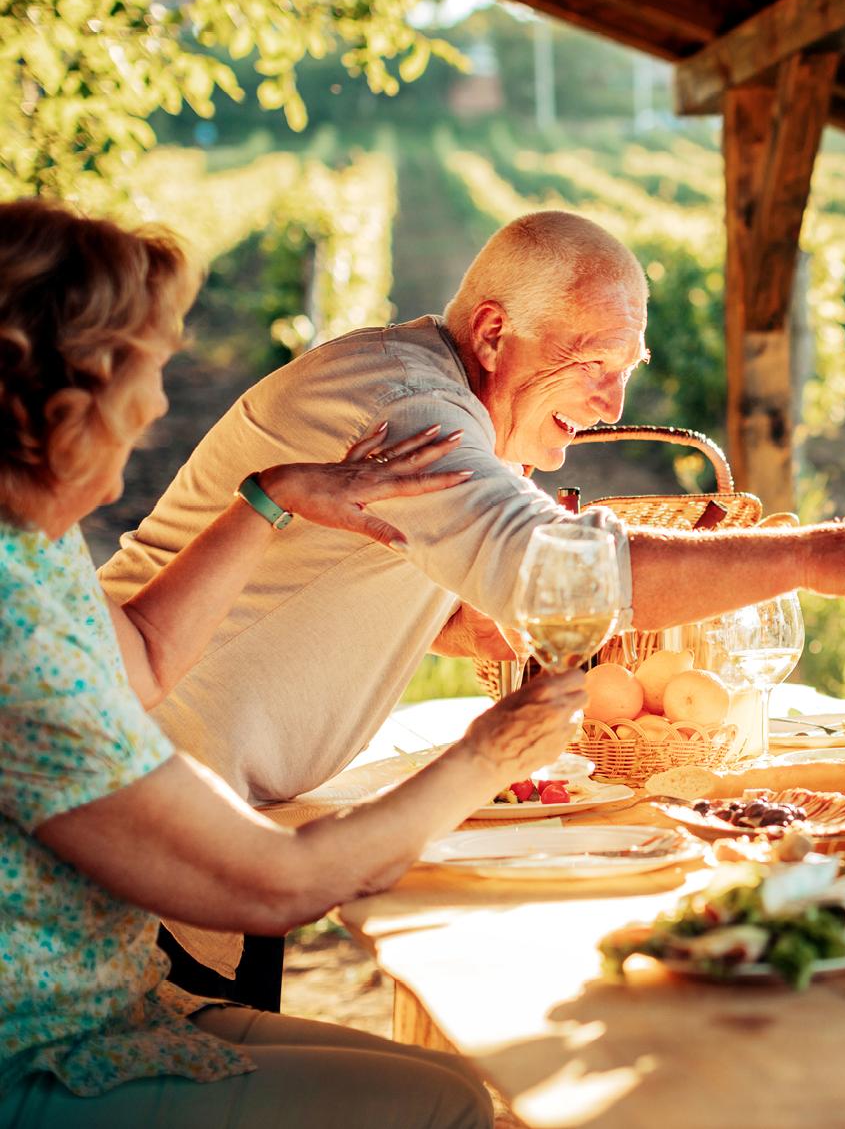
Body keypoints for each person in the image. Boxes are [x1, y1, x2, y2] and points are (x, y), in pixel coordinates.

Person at [0, 198, 588, 1125]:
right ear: (64, 398)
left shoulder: (28, 546)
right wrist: (490, 754)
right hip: (41, 1053)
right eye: (146, 376)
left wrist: (274, 497)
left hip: (110, 996)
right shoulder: (14, 626)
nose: (159, 406)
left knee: (454, 1086)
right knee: (445, 1107)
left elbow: (142, 656)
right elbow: (279, 884)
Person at [99, 209, 845, 808]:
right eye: (596, 363)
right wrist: (814, 558)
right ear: (491, 334)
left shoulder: (437, 395)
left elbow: (343, 565)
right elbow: (562, 570)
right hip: (131, 780)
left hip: (175, 779)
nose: (612, 403)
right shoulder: (413, 411)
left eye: (629, 368)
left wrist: (452, 622)